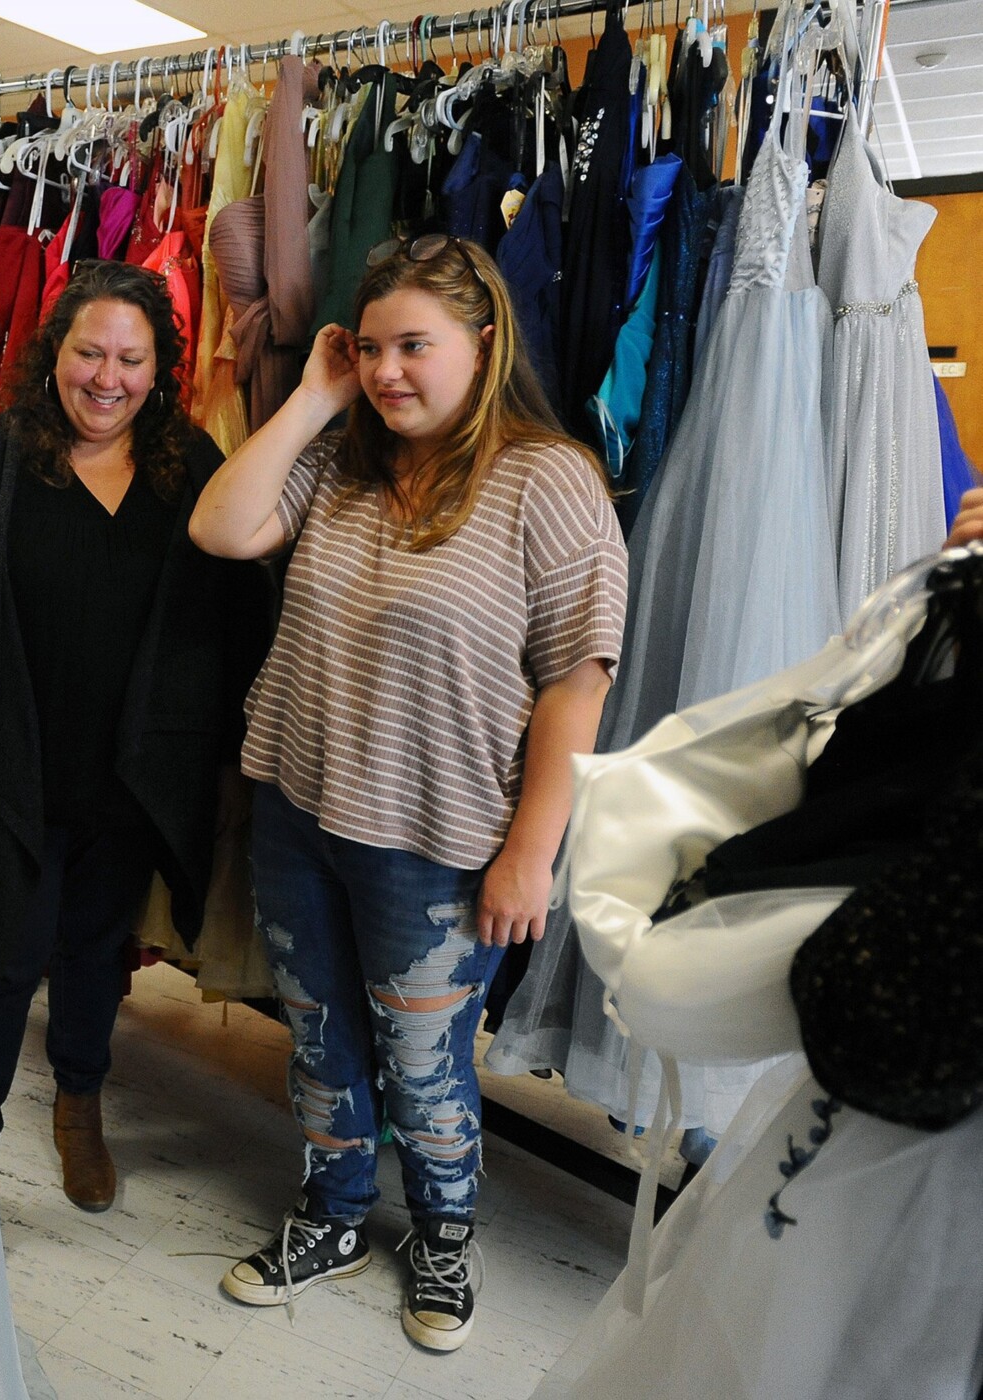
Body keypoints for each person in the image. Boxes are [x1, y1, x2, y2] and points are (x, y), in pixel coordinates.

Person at [190, 233, 629, 1351]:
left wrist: (531, 848)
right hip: (299, 802)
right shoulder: (341, 460)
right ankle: (333, 1212)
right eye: (371, 347)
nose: (388, 371)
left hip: (436, 837)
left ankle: (439, 1231)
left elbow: (573, 685)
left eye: (413, 347)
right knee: (318, 1035)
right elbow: (219, 526)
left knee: (424, 1062)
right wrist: (309, 398)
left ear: (482, 346)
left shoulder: (550, 477)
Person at [0, 260, 270, 1212]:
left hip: (131, 776)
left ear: (159, 370)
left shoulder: (188, 466)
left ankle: (79, 1105)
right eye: (88, 352)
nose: (105, 378)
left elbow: (242, 617)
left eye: (130, 358)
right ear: (52, 354)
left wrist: (240, 753)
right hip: (8, 768)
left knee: (93, 953)